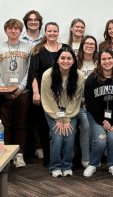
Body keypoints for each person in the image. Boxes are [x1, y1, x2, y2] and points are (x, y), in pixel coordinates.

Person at [0, 19, 32, 167]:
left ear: (21, 31)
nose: (13, 31)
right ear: (6, 30)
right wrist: (3, 90)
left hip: (23, 92)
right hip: (3, 94)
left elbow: (30, 71)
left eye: (16, 28)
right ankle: (5, 155)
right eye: (10, 28)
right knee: (4, 126)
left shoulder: (28, 48)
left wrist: (20, 87)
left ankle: (19, 155)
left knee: (21, 125)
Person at [27, 22, 69, 167]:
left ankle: (63, 158)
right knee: (46, 127)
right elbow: (34, 74)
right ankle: (49, 159)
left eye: (55, 31)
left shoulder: (65, 48)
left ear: (58, 32)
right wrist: (35, 93)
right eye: (49, 31)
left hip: (64, 95)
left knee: (63, 126)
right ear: (45, 33)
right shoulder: (38, 50)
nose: (52, 33)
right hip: (44, 95)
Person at [83, 48, 113, 177]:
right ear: (99, 62)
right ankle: (93, 164)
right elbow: (91, 104)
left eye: (109, 58)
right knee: (100, 140)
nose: (107, 61)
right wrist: (103, 121)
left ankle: (112, 164)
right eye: (103, 59)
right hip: (96, 116)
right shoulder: (92, 79)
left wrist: (112, 120)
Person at [41, 46, 84, 177]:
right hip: (52, 109)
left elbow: (75, 100)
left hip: (70, 110)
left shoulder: (79, 75)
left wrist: (67, 118)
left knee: (70, 136)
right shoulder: (48, 75)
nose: (66, 61)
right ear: (57, 60)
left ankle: (66, 165)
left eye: (69, 58)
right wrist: (59, 119)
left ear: (73, 60)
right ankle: (55, 166)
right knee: (57, 136)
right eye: (62, 58)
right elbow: (48, 100)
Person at [76, 35, 98, 168]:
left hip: (96, 104)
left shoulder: (99, 62)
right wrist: (84, 101)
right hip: (80, 104)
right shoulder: (76, 62)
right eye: (87, 43)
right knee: (87, 126)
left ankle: (97, 156)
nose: (89, 46)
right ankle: (86, 157)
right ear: (82, 46)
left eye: (92, 44)